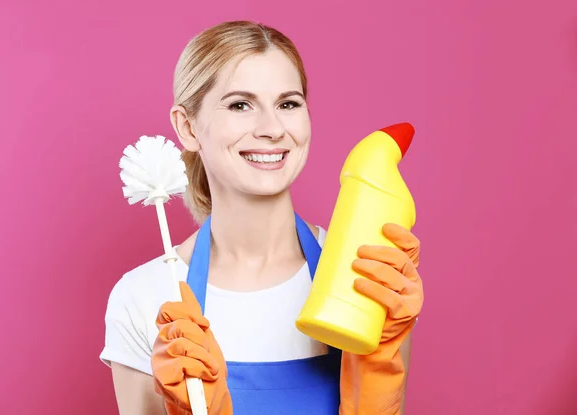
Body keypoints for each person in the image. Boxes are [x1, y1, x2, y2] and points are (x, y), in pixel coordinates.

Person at [100, 20, 424, 415]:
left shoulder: (363, 275)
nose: (272, 129)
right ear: (187, 128)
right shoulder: (145, 297)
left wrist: (380, 378)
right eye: (240, 104)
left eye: (288, 103)